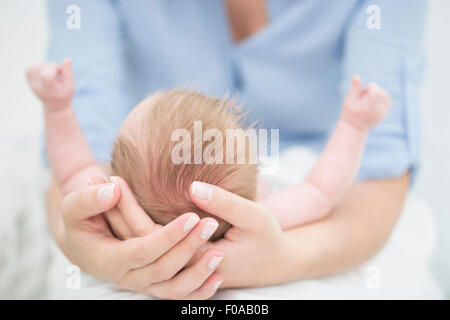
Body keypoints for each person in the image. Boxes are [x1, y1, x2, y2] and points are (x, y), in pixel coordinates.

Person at [44, 0, 426, 299]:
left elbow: (73, 164)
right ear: (255, 184)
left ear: (119, 185)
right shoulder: (267, 214)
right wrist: (354, 125)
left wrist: (58, 109)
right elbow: (324, 189)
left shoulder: (114, 218)